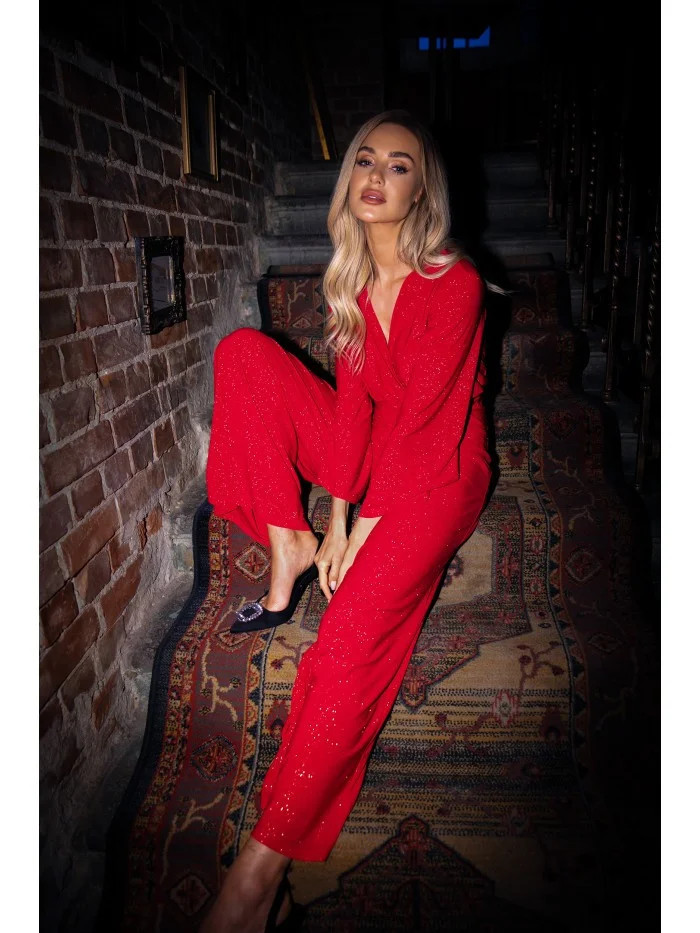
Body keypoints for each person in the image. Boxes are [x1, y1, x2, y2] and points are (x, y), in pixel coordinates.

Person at [201, 109, 492, 933]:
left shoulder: (456, 283)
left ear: (422, 189)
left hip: (442, 466)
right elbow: (359, 409)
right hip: (381, 456)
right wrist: (333, 521)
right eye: (366, 160)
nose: (376, 176)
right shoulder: (357, 284)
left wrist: (366, 530)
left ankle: (258, 877)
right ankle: (287, 543)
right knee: (243, 355)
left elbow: (424, 424)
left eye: (399, 166)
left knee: (347, 640)